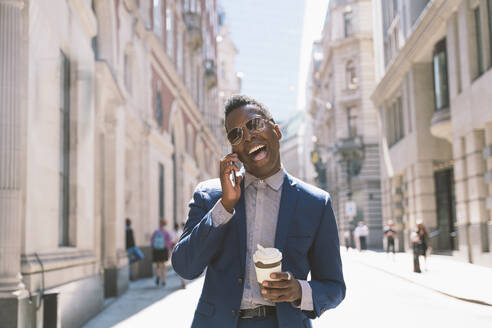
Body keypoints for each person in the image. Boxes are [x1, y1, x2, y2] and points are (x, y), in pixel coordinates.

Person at [172, 95, 345, 328]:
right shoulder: (210, 195)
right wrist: (225, 206)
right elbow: (185, 267)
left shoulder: (316, 203)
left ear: (277, 131)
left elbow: (334, 287)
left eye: (254, 124)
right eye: (236, 134)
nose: (249, 136)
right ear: (234, 149)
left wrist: (299, 291)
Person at [151, 220, 172, 286]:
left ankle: (158, 275)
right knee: (163, 266)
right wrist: (169, 250)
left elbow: (152, 241)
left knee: (157, 265)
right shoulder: (166, 233)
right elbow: (169, 242)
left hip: (156, 249)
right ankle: (163, 281)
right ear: (165, 225)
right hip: (163, 250)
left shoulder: (156, 232)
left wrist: (152, 248)